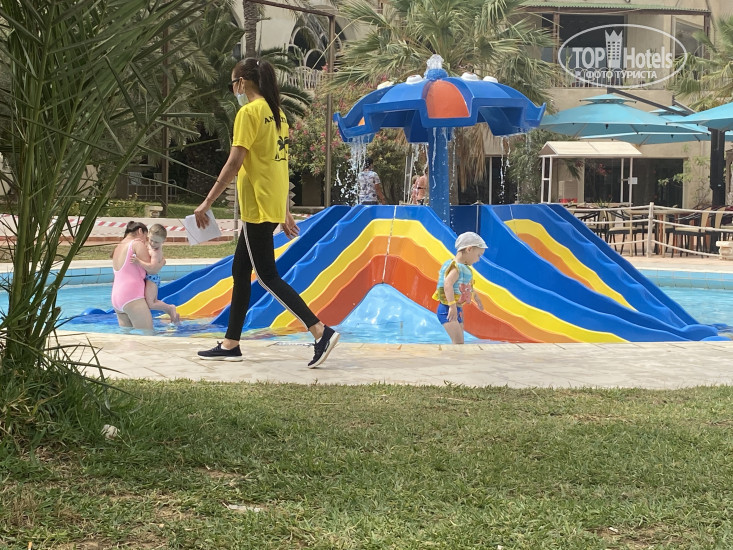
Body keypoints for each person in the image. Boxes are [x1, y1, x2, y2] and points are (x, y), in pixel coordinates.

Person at [193, 57, 339, 367]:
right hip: (269, 204)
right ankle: (231, 344)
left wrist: (207, 201)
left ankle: (320, 331)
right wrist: (284, 210)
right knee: (240, 272)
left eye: (233, 84)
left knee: (267, 276)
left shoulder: (249, 112)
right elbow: (280, 166)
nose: (233, 89)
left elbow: (234, 162)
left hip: (257, 206)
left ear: (242, 82)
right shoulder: (277, 114)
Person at [432, 232, 487, 344]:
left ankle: (453, 355)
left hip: (457, 309)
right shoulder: (456, 267)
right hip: (447, 309)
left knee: (459, 343)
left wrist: (477, 298)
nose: (478, 259)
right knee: (458, 342)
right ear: (469, 249)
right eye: (478, 255)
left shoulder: (463, 268)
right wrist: (452, 306)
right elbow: (447, 284)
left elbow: (467, 286)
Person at [130, 223, 180, 324]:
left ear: (163, 241)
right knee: (154, 301)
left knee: (151, 304)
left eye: (156, 242)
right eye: (151, 240)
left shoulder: (156, 252)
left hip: (152, 278)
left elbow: (152, 269)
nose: (153, 244)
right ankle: (172, 314)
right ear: (148, 235)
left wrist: (139, 262)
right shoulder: (150, 245)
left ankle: (170, 308)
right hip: (150, 278)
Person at [110, 221, 153, 331]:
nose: (145, 241)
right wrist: (160, 260)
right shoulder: (136, 244)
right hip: (132, 296)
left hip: (116, 297)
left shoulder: (118, 247)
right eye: (146, 237)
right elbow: (151, 269)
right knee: (148, 335)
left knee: (127, 338)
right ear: (140, 231)